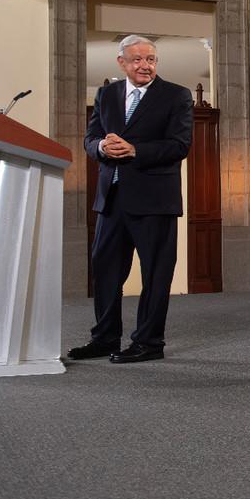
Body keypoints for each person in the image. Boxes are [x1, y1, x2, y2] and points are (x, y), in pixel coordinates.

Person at [67, 35, 194, 364]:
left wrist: (136, 150)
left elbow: (179, 146)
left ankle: (149, 342)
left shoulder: (176, 96)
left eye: (150, 59)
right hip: (112, 198)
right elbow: (90, 138)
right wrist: (100, 148)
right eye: (137, 59)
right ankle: (105, 337)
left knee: (155, 272)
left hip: (155, 200)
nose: (145, 65)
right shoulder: (106, 94)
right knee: (105, 269)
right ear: (121, 62)